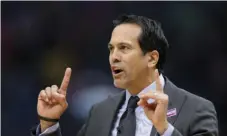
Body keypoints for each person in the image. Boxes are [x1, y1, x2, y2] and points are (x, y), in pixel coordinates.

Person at [31, 14, 218, 136]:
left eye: (124, 48)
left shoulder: (197, 109)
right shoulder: (100, 113)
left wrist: (165, 129)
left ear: (152, 58)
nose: (114, 57)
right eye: (111, 49)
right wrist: (49, 125)